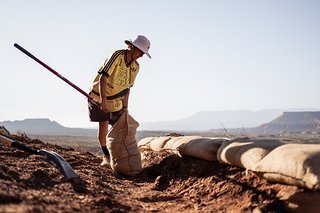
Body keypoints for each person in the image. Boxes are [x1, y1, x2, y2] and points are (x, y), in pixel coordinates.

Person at [88, 35, 151, 166]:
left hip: (117, 100)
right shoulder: (116, 56)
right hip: (99, 96)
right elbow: (103, 78)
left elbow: (127, 88)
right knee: (104, 123)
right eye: (141, 52)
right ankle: (106, 156)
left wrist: (125, 107)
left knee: (121, 126)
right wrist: (104, 101)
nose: (141, 56)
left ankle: (118, 156)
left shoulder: (136, 67)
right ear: (132, 47)